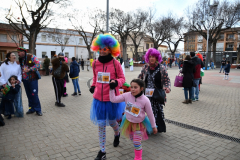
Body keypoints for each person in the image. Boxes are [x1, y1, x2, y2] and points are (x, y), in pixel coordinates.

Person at [89, 34, 125, 160]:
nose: (103, 51)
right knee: (101, 124)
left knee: (111, 122)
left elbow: (122, 78)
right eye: (101, 48)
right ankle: (102, 151)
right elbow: (95, 77)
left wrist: (116, 82)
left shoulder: (116, 64)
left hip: (112, 98)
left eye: (105, 49)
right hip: (98, 99)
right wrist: (93, 85)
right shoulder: (95, 63)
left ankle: (117, 133)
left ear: (111, 49)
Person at [109, 79, 157, 160]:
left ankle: (138, 157)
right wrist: (111, 88)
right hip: (128, 122)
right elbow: (113, 99)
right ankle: (135, 142)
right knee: (132, 138)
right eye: (131, 87)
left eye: (135, 87)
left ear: (141, 88)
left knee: (136, 142)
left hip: (139, 124)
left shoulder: (145, 100)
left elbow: (150, 114)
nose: (133, 89)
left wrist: (154, 126)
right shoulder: (127, 95)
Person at [138, 48, 171, 133]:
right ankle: (148, 128)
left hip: (157, 94)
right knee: (147, 111)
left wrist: (167, 87)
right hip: (146, 94)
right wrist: (135, 86)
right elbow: (140, 78)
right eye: (150, 57)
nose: (151, 58)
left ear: (157, 58)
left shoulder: (162, 68)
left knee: (157, 111)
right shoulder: (145, 67)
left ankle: (157, 127)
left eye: (153, 57)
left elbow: (166, 80)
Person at [17, 47, 42, 116]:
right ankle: (31, 109)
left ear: (23, 52)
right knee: (29, 95)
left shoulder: (31, 56)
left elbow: (38, 64)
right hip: (25, 80)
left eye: (19, 52)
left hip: (32, 79)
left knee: (34, 94)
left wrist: (30, 69)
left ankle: (38, 109)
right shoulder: (21, 59)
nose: (18, 54)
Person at [0, 52, 23, 117]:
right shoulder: (4, 65)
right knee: (7, 100)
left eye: (15, 55)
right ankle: (8, 113)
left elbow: (19, 74)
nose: (14, 56)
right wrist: (3, 83)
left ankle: (18, 113)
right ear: (9, 57)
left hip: (15, 85)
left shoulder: (17, 65)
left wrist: (18, 80)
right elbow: (1, 75)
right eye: (13, 55)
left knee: (17, 99)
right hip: (6, 85)